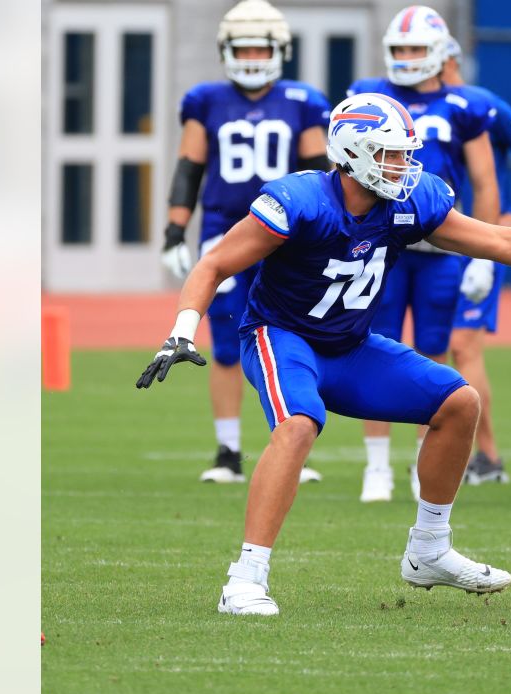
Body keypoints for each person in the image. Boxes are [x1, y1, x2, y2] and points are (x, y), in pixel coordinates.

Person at [135, 92, 511, 616]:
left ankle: (429, 549)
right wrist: (182, 329)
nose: (403, 166)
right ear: (351, 154)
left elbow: (497, 241)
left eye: (405, 154)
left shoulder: (411, 199)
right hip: (282, 336)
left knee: (459, 402)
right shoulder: (299, 201)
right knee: (299, 425)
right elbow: (214, 264)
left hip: (350, 346)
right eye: (389, 154)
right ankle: (244, 578)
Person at [160, 0, 330, 485]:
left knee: (293, 341)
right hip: (226, 230)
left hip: (287, 235)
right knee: (229, 348)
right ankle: (229, 451)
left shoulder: (303, 100)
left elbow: (320, 174)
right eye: (244, 47)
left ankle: (289, 444)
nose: (253, 57)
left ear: (280, 49)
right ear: (225, 49)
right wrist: (175, 229)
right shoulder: (206, 100)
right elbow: (188, 168)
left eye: (262, 47)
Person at [348, 6, 501, 503]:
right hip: (383, 243)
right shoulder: (368, 95)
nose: (407, 58)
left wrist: (485, 255)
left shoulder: (462, 103)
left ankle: (422, 464)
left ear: (438, 53)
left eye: (416, 49)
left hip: (439, 246)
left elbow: (484, 180)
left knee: (433, 352)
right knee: (372, 346)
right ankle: (376, 467)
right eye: (400, 50)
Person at [440, 37, 511, 486]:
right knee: (442, 343)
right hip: (434, 239)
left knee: (464, 344)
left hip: (477, 236)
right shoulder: (401, 99)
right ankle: (473, 455)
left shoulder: (477, 103)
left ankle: (487, 456)